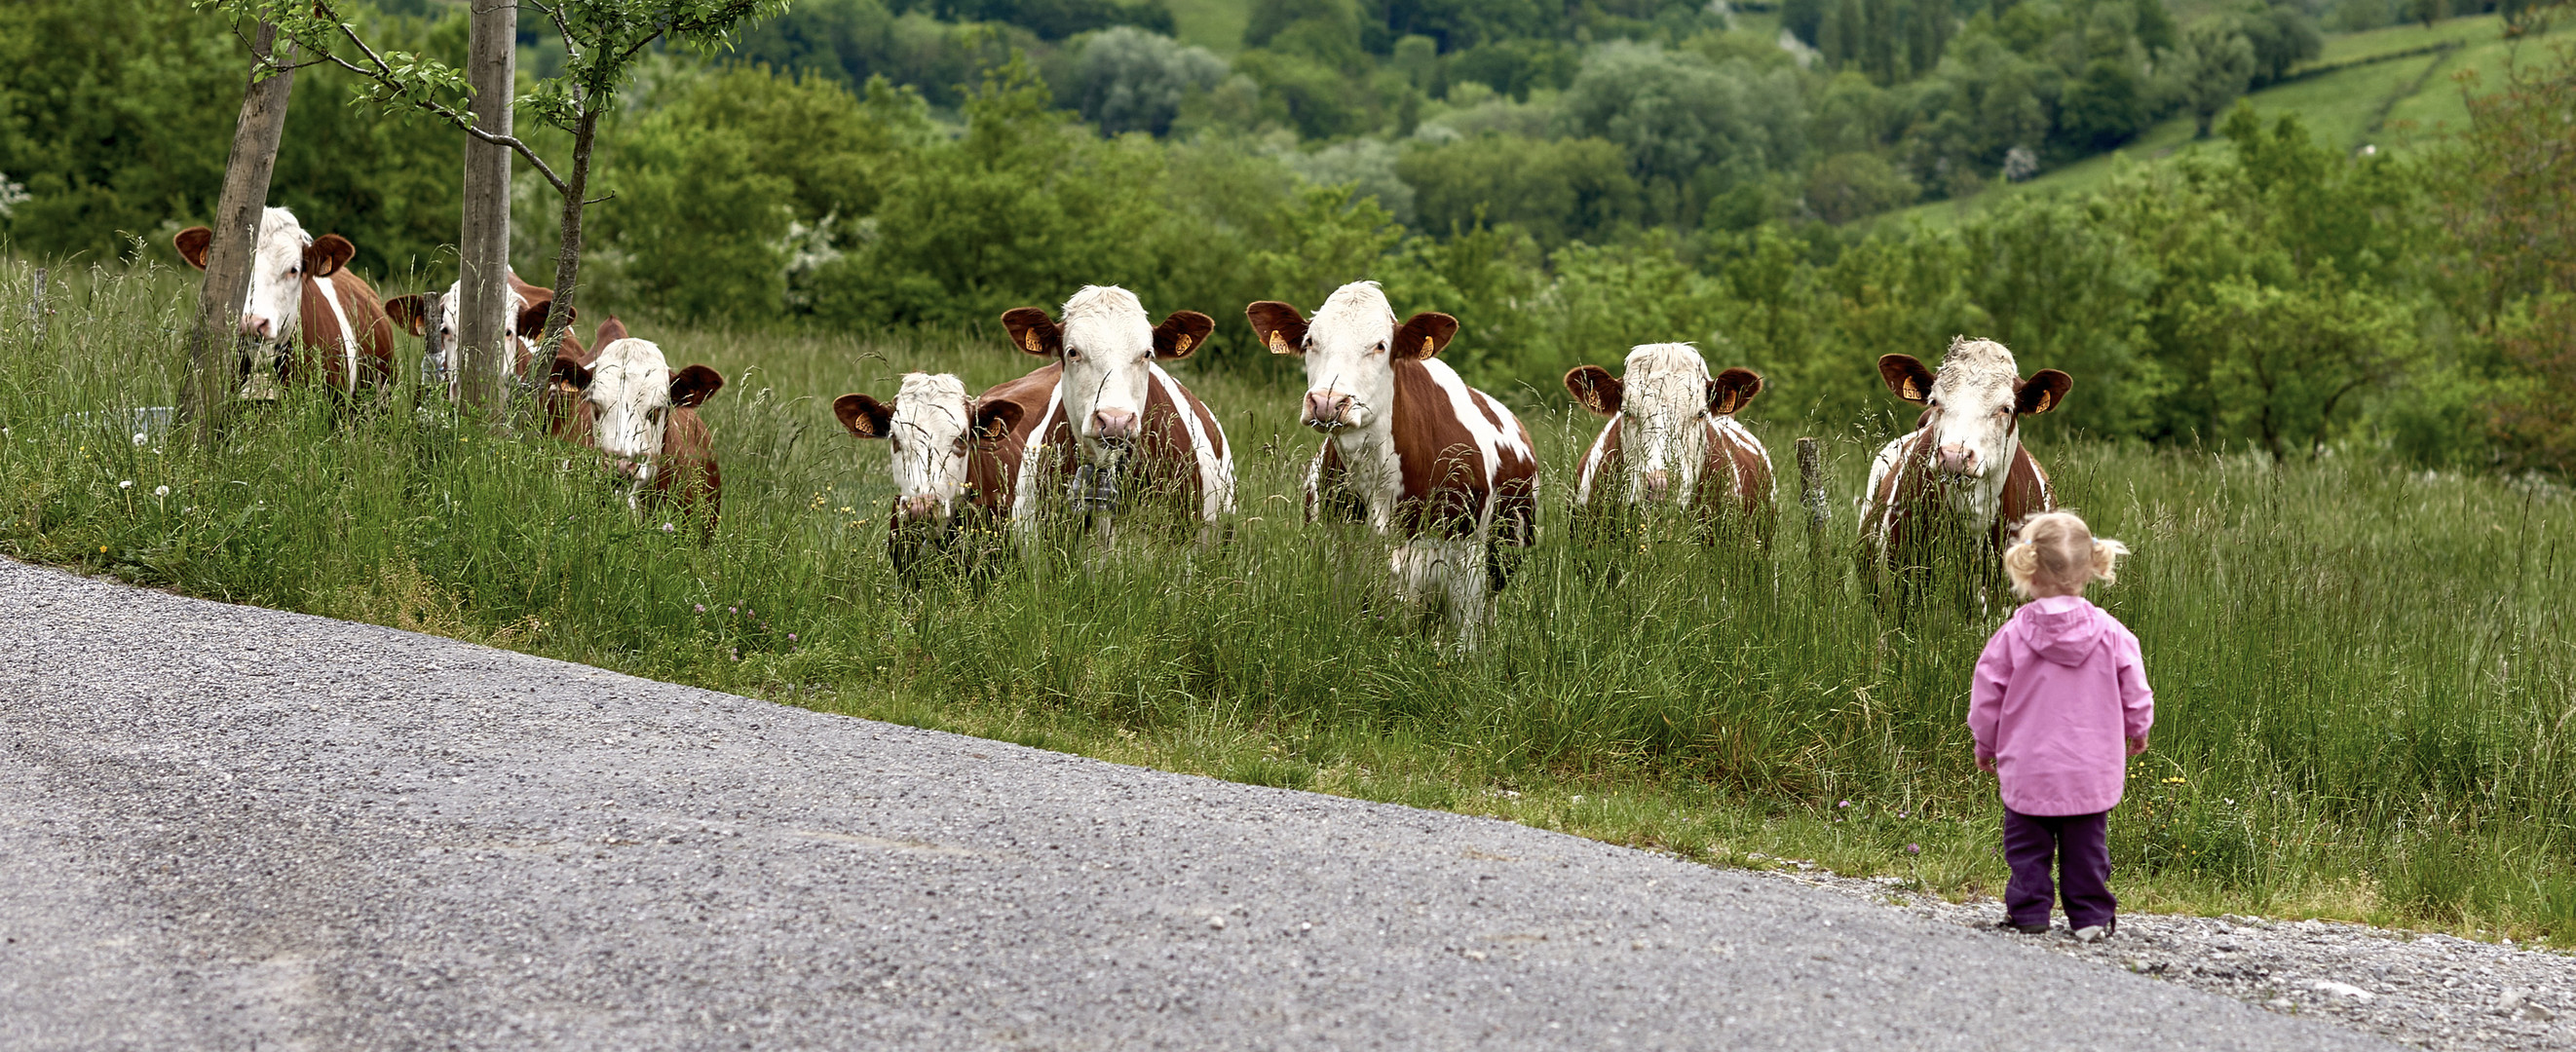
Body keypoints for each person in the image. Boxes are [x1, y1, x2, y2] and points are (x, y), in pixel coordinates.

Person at [1970, 510, 2154, 942]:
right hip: (2090, 769)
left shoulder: (2012, 635)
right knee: (2087, 851)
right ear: (2091, 566)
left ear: (2029, 570)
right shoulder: (2112, 633)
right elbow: (2136, 688)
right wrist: (2138, 728)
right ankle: (2090, 917)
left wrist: (1985, 744)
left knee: (2026, 849)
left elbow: (1987, 697)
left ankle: (2030, 912)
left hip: (2028, 766)